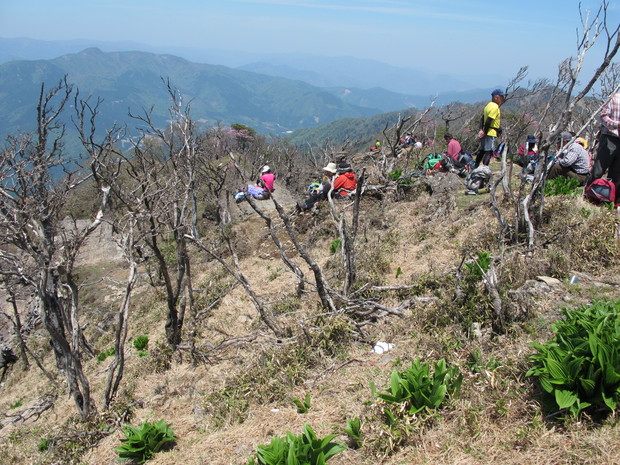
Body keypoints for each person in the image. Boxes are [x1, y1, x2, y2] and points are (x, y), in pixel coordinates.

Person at [588, 92, 620, 186]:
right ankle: (589, 194)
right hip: (610, 137)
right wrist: (616, 125)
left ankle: (613, 199)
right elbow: (603, 116)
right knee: (599, 169)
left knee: (617, 175)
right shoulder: (615, 98)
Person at [475, 88, 506, 167]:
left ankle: (475, 165)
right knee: (489, 151)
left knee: (482, 150)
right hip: (490, 132)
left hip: (487, 131)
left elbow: (482, 119)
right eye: (501, 97)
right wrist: (485, 132)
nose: (503, 98)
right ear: (496, 97)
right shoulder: (495, 107)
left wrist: (482, 129)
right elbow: (488, 120)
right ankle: (485, 168)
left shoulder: (488, 106)